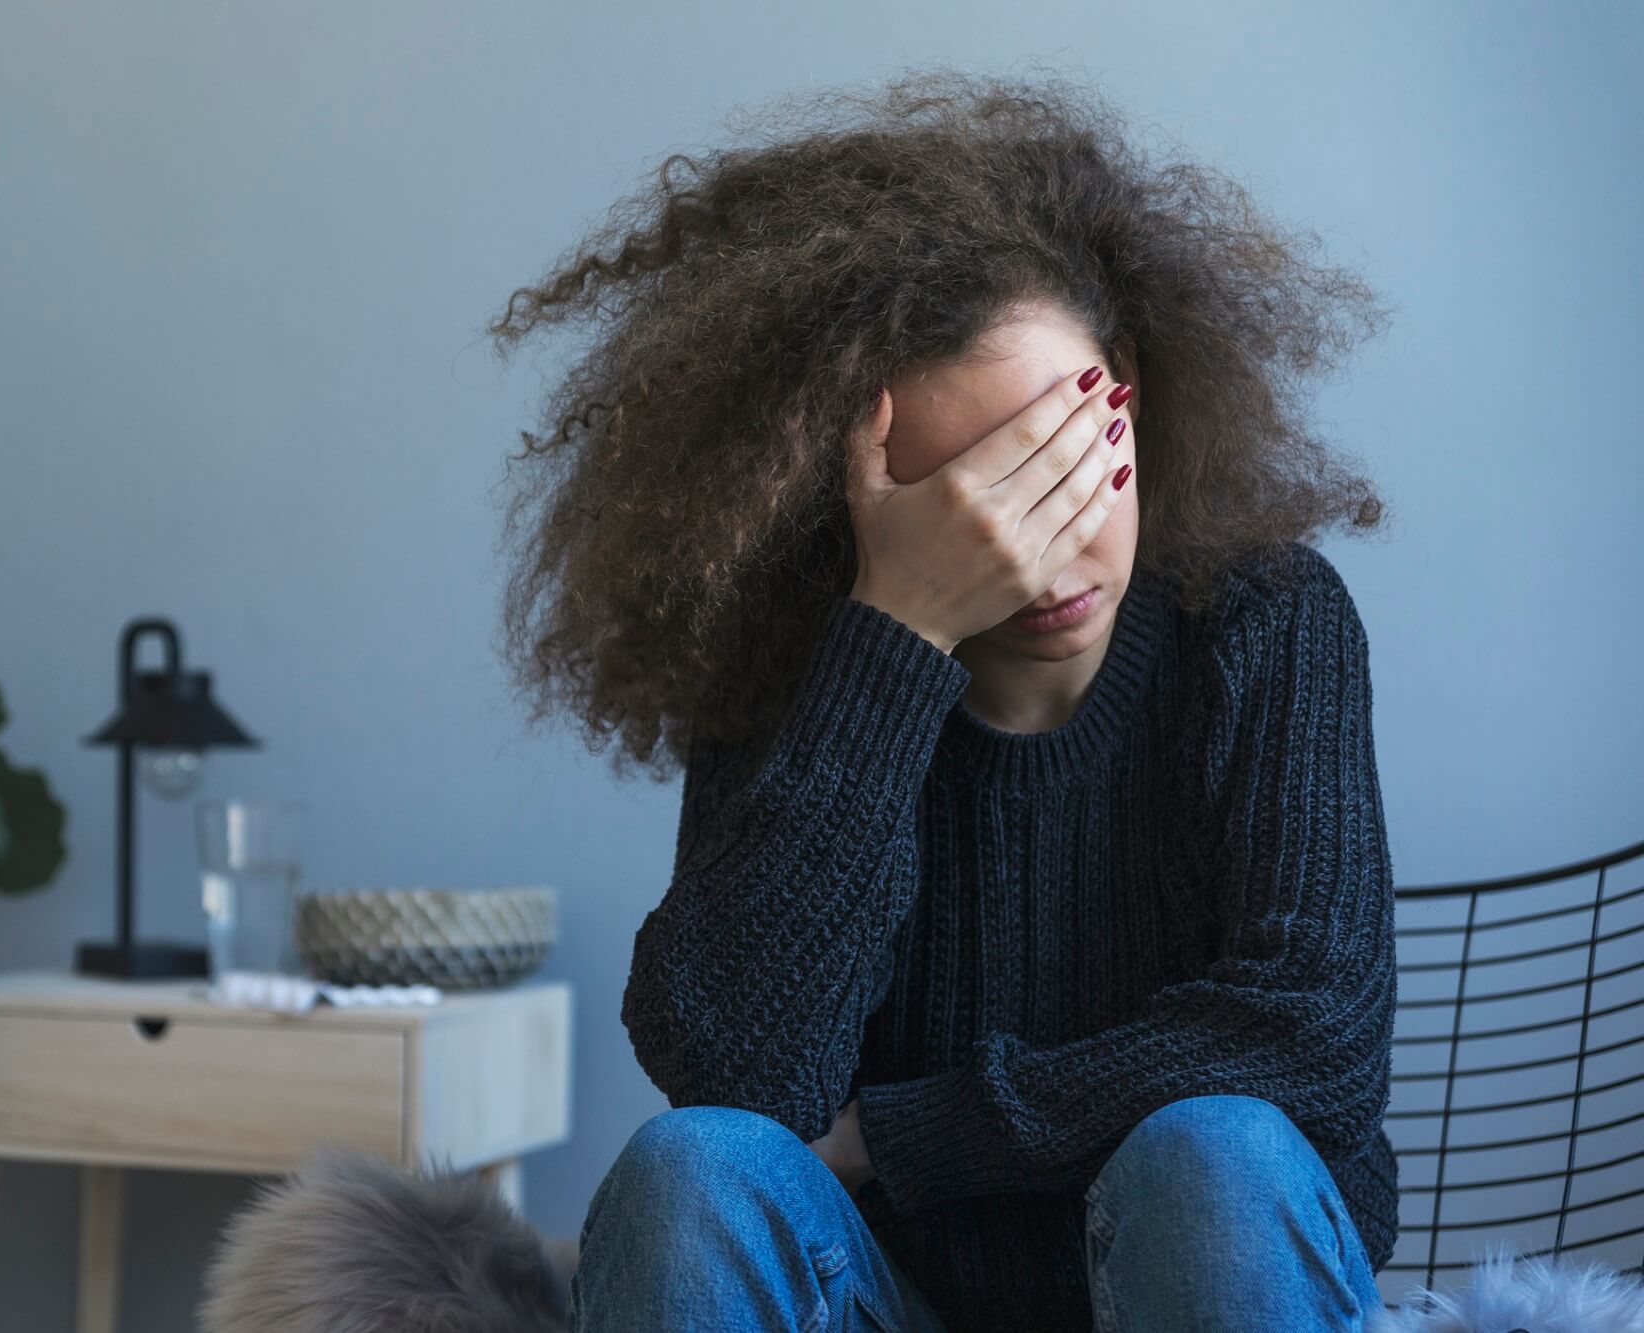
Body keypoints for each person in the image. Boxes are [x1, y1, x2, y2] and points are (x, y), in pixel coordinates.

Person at [489, 66, 1398, 1332]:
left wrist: (899, 1135)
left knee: (1214, 1154)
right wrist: (897, 632)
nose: (1030, 553)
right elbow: (738, 1084)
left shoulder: (1260, 624)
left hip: (1194, 1271)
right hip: (890, 1301)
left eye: (1057, 464)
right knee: (687, 1167)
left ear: (1126, 385)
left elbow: (1311, 1039)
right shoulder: (809, 669)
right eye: (959, 503)